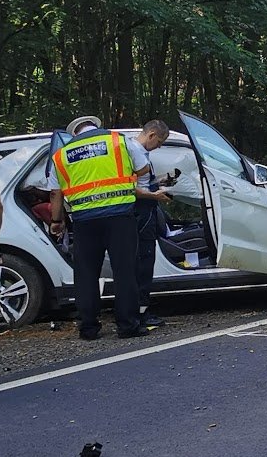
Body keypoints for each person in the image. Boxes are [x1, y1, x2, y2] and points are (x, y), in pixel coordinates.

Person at [50, 115, 147, 341]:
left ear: (74, 134)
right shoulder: (119, 141)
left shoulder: (61, 155)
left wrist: (57, 220)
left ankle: (89, 328)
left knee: (86, 275)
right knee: (125, 271)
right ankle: (127, 326)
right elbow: (143, 168)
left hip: (84, 221)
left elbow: (56, 193)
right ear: (96, 127)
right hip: (120, 217)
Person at [133, 119, 175, 330]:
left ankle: (140, 309)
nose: (159, 146)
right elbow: (131, 188)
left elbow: (140, 182)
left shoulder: (138, 152)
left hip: (143, 212)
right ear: (151, 135)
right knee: (143, 262)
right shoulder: (135, 152)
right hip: (141, 213)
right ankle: (140, 312)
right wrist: (154, 195)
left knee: (143, 262)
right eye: (159, 141)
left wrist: (160, 182)